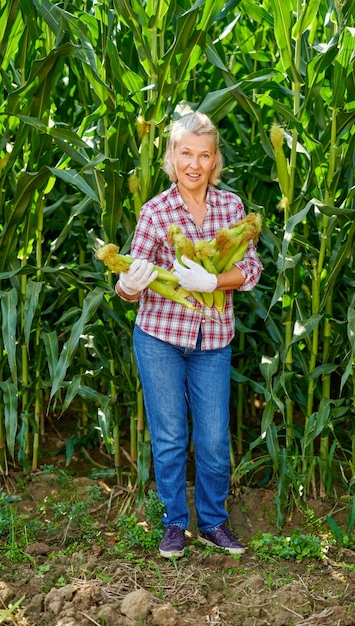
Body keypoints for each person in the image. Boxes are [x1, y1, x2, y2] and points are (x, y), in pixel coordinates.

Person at [115, 112, 262, 558]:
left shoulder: (232, 207)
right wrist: (131, 282)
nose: (194, 164)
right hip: (159, 336)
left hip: (212, 341)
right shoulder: (155, 211)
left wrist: (212, 282)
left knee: (215, 438)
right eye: (185, 154)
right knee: (171, 436)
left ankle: (214, 522)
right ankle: (175, 523)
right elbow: (125, 286)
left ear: (215, 160)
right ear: (171, 157)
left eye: (204, 155)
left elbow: (251, 269)